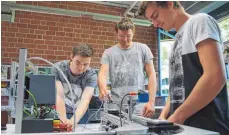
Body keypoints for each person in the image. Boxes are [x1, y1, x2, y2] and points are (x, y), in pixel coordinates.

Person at [137, 1, 229, 133]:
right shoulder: (176, 42)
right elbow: (176, 88)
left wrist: (178, 116)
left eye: (155, 15)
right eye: (151, 20)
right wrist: (164, 116)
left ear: (169, 3)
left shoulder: (199, 22)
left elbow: (215, 77)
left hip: (208, 127)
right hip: (185, 128)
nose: (155, 24)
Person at [98, 17, 157, 118]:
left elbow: (152, 75)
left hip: (139, 102)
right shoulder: (108, 53)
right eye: (121, 36)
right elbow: (102, 74)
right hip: (116, 103)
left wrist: (151, 102)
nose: (125, 39)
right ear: (116, 33)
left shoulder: (143, 49)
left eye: (128, 36)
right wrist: (102, 89)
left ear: (133, 33)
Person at [51, 44, 97, 127]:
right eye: (78, 62)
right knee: (57, 131)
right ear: (72, 56)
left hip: (80, 114)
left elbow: (85, 100)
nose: (81, 68)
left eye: (86, 64)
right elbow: (59, 95)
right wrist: (63, 120)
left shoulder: (91, 75)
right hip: (58, 112)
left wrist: (73, 121)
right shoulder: (58, 68)